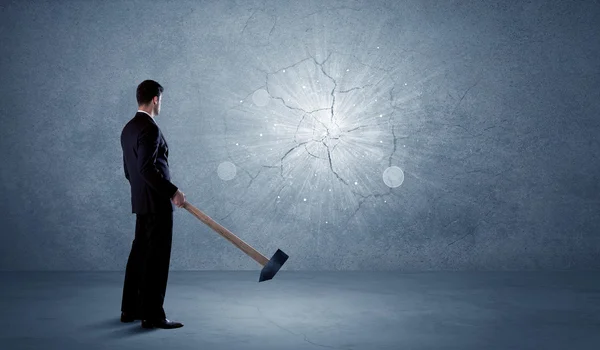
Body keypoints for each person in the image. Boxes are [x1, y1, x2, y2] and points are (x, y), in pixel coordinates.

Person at [119, 80, 186, 329]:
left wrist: (142, 193)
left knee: (139, 255)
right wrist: (173, 191)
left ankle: (130, 309)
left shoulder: (128, 129)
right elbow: (146, 168)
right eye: (162, 100)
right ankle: (153, 316)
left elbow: (130, 171)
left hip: (141, 202)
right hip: (157, 205)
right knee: (156, 259)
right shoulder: (150, 128)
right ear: (156, 99)